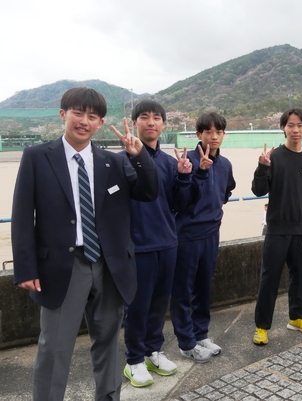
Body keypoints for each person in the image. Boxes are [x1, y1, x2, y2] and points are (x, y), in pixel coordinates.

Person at [11, 87, 159, 401]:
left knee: (107, 342)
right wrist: (25, 268)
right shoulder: (37, 157)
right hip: (61, 266)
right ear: (63, 114)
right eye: (78, 113)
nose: (84, 121)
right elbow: (22, 215)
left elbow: (148, 192)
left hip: (110, 266)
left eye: (92, 116)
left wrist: (139, 156)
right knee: (54, 348)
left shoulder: (113, 162)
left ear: (100, 123)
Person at [122, 100, 198, 387]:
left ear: (164, 124)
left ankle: (153, 350)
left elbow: (180, 205)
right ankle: (134, 360)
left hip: (167, 242)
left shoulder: (169, 163)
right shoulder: (121, 160)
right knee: (137, 306)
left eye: (156, 118)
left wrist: (185, 176)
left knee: (159, 303)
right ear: (135, 123)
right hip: (137, 245)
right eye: (144, 117)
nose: (151, 122)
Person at [251, 108, 302, 345]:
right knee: (269, 278)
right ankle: (262, 327)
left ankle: (297, 318)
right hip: (277, 228)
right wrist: (262, 167)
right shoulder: (275, 157)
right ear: (283, 127)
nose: (295, 130)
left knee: (299, 276)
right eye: (291, 125)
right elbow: (258, 190)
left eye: (300, 125)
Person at [170, 112, 236, 361]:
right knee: (183, 290)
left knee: (203, 288)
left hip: (211, 233)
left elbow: (227, 190)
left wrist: (214, 208)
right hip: (187, 234)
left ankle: (200, 334)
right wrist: (198, 172)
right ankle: (186, 342)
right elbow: (181, 200)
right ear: (199, 134)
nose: (214, 136)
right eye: (208, 132)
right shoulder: (187, 161)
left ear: (224, 134)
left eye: (218, 132)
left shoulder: (225, 164)